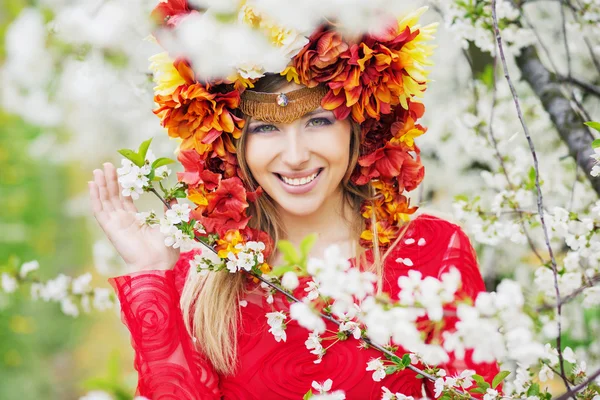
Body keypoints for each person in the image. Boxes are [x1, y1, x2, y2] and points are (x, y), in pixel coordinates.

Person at [88, 2, 499, 399]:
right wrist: (152, 272)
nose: (296, 154)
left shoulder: (432, 250)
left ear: (359, 125)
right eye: (266, 128)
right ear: (233, 145)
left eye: (317, 121)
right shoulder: (203, 278)